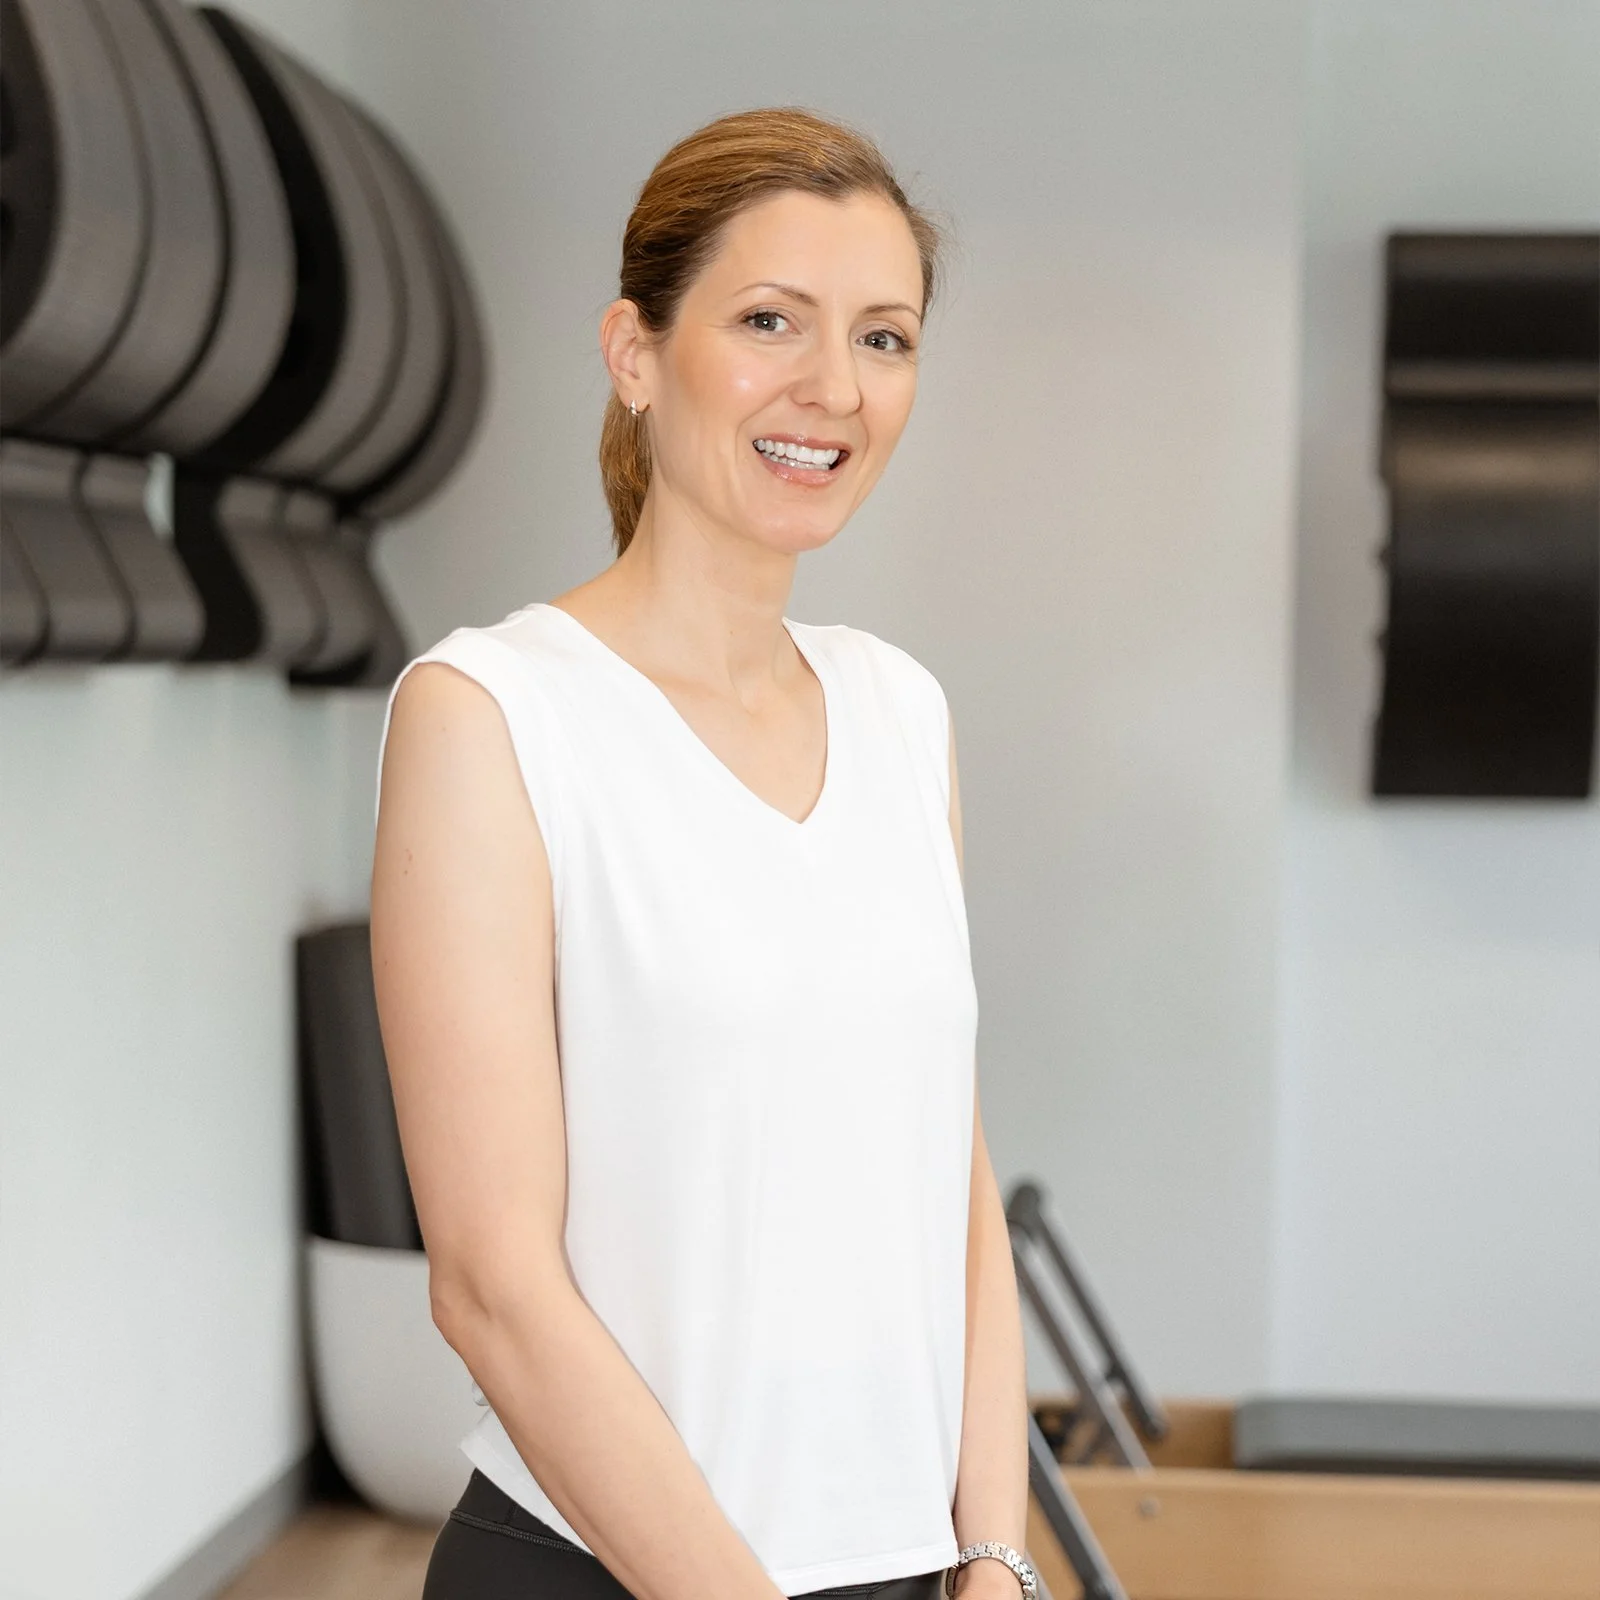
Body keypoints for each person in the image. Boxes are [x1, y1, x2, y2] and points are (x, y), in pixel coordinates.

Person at [371, 106, 1033, 1600]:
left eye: (884, 338)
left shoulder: (901, 710)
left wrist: (994, 1554)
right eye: (767, 321)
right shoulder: (492, 715)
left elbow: (956, 1176)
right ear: (634, 353)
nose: (831, 388)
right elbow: (491, 1286)